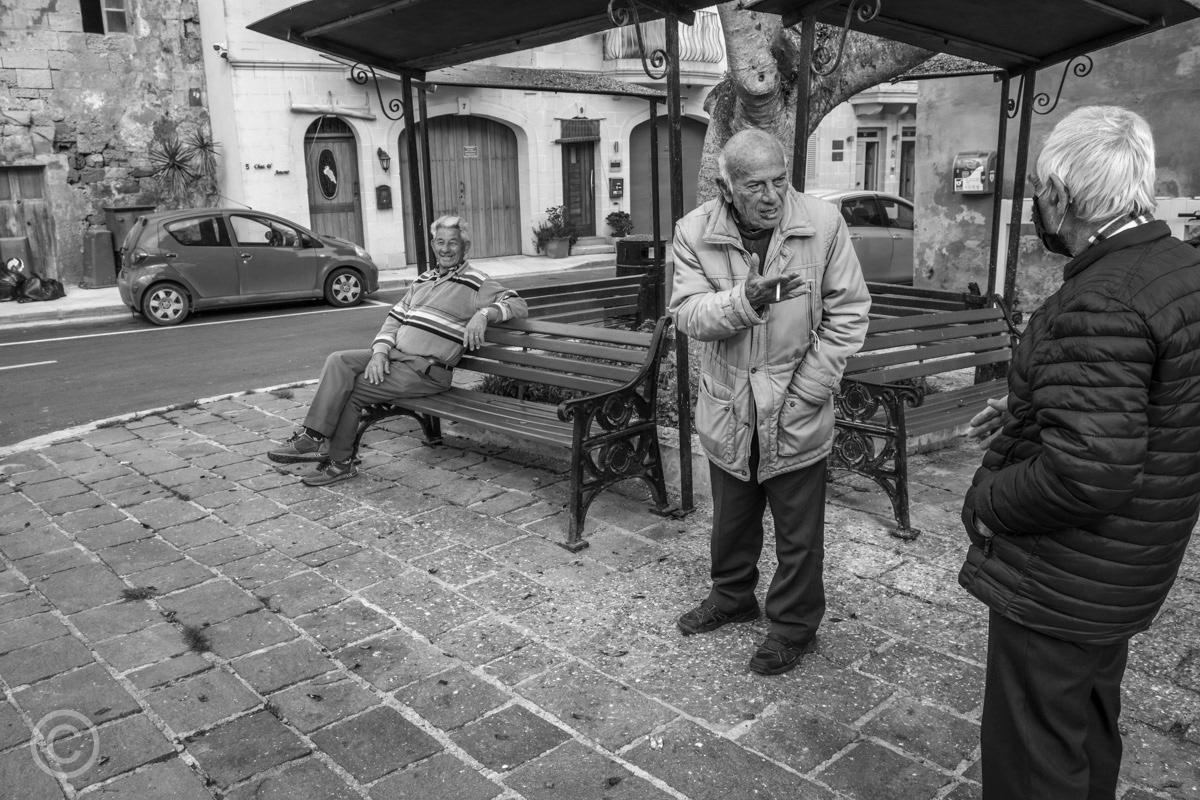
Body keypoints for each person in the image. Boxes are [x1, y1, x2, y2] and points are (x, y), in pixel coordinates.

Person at [961, 106, 1200, 799]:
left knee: (1034, 754)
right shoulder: (1177, 270)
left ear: (1061, 198)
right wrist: (1036, 401)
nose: (1038, 206)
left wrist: (987, 504)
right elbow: (1162, 399)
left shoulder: (1103, 298)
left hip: (1062, 577)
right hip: (1126, 565)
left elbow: (1086, 472)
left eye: (1040, 191)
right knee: (1088, 723)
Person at [669, 129, 870, 675]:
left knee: (799, 530)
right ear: (725, 186)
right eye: (755, 185)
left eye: (780, 180)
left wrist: (809, 389)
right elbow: (687, 314)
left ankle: (793, 626)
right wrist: (743, 300)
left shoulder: (823, 224)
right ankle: (732, 596)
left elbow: (849, 313)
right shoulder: (693, 232)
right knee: (731, 518)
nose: (772, 195)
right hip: (729, 400)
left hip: (796, 397)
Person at [268, 215, 527, 485]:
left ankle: (340, 461)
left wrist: (484, 314)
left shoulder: (477, 282)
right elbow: (393, 321)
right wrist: (380, 353)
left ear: (465, 247)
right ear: (433, 245)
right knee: (338, 361)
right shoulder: (423, 280)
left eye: (453, 243)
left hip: (426, 371)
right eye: (440, 242)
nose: (446, 249)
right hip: (395, 358)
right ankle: (313, 437)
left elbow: (518, 304)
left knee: (351, 391)